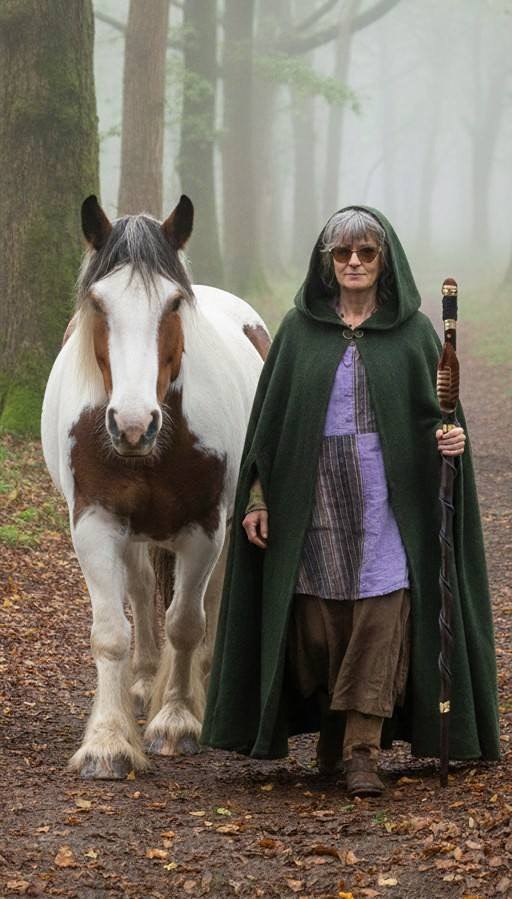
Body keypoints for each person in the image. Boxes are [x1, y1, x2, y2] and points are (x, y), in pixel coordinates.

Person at [201, 206, 499, 797]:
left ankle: (363, 752)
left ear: (384, 261)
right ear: (328, 262)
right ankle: (333, 734)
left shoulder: (413, 334)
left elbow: (438, 420)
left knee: (380, 620)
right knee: (318, 627)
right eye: (343, 253)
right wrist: (256, 499)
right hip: (312, 508)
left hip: (387, 506)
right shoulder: (298, 332)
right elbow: (267, 433)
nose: (354, 262)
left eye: (366, 252)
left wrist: (451, 441)